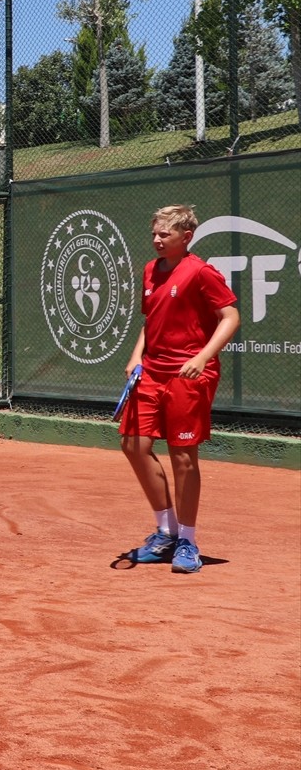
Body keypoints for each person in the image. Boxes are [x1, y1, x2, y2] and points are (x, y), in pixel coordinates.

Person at [120, 204, 240, 574]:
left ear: (185, 237)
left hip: (188, 374)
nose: (156, 240)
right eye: (154, 234)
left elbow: (231, 316)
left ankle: (187, 539)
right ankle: (166, 532)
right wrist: (137, 356)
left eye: (164, 235)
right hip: (151, 371)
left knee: (183, 457)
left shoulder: (201, 272)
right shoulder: (150, 270)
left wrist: (204, 357)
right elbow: (150, 319)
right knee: (133, 445)